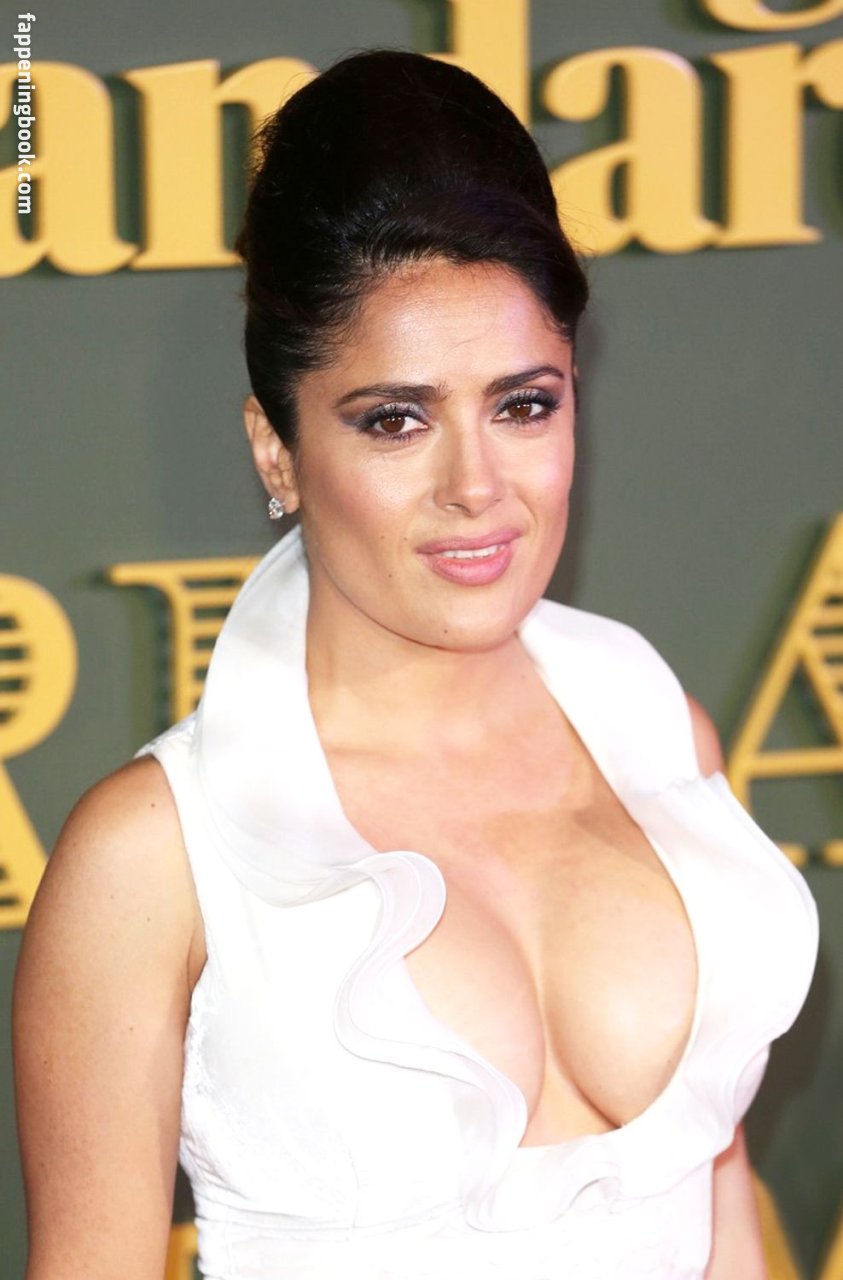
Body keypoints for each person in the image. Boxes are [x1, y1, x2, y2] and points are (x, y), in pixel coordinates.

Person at [13, 47, 818, 1280]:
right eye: (395, 419)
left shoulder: (659, 734)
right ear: (276, 449)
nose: (475, 486)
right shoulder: (156, 855)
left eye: (523, 404)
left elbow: (720, 1213)